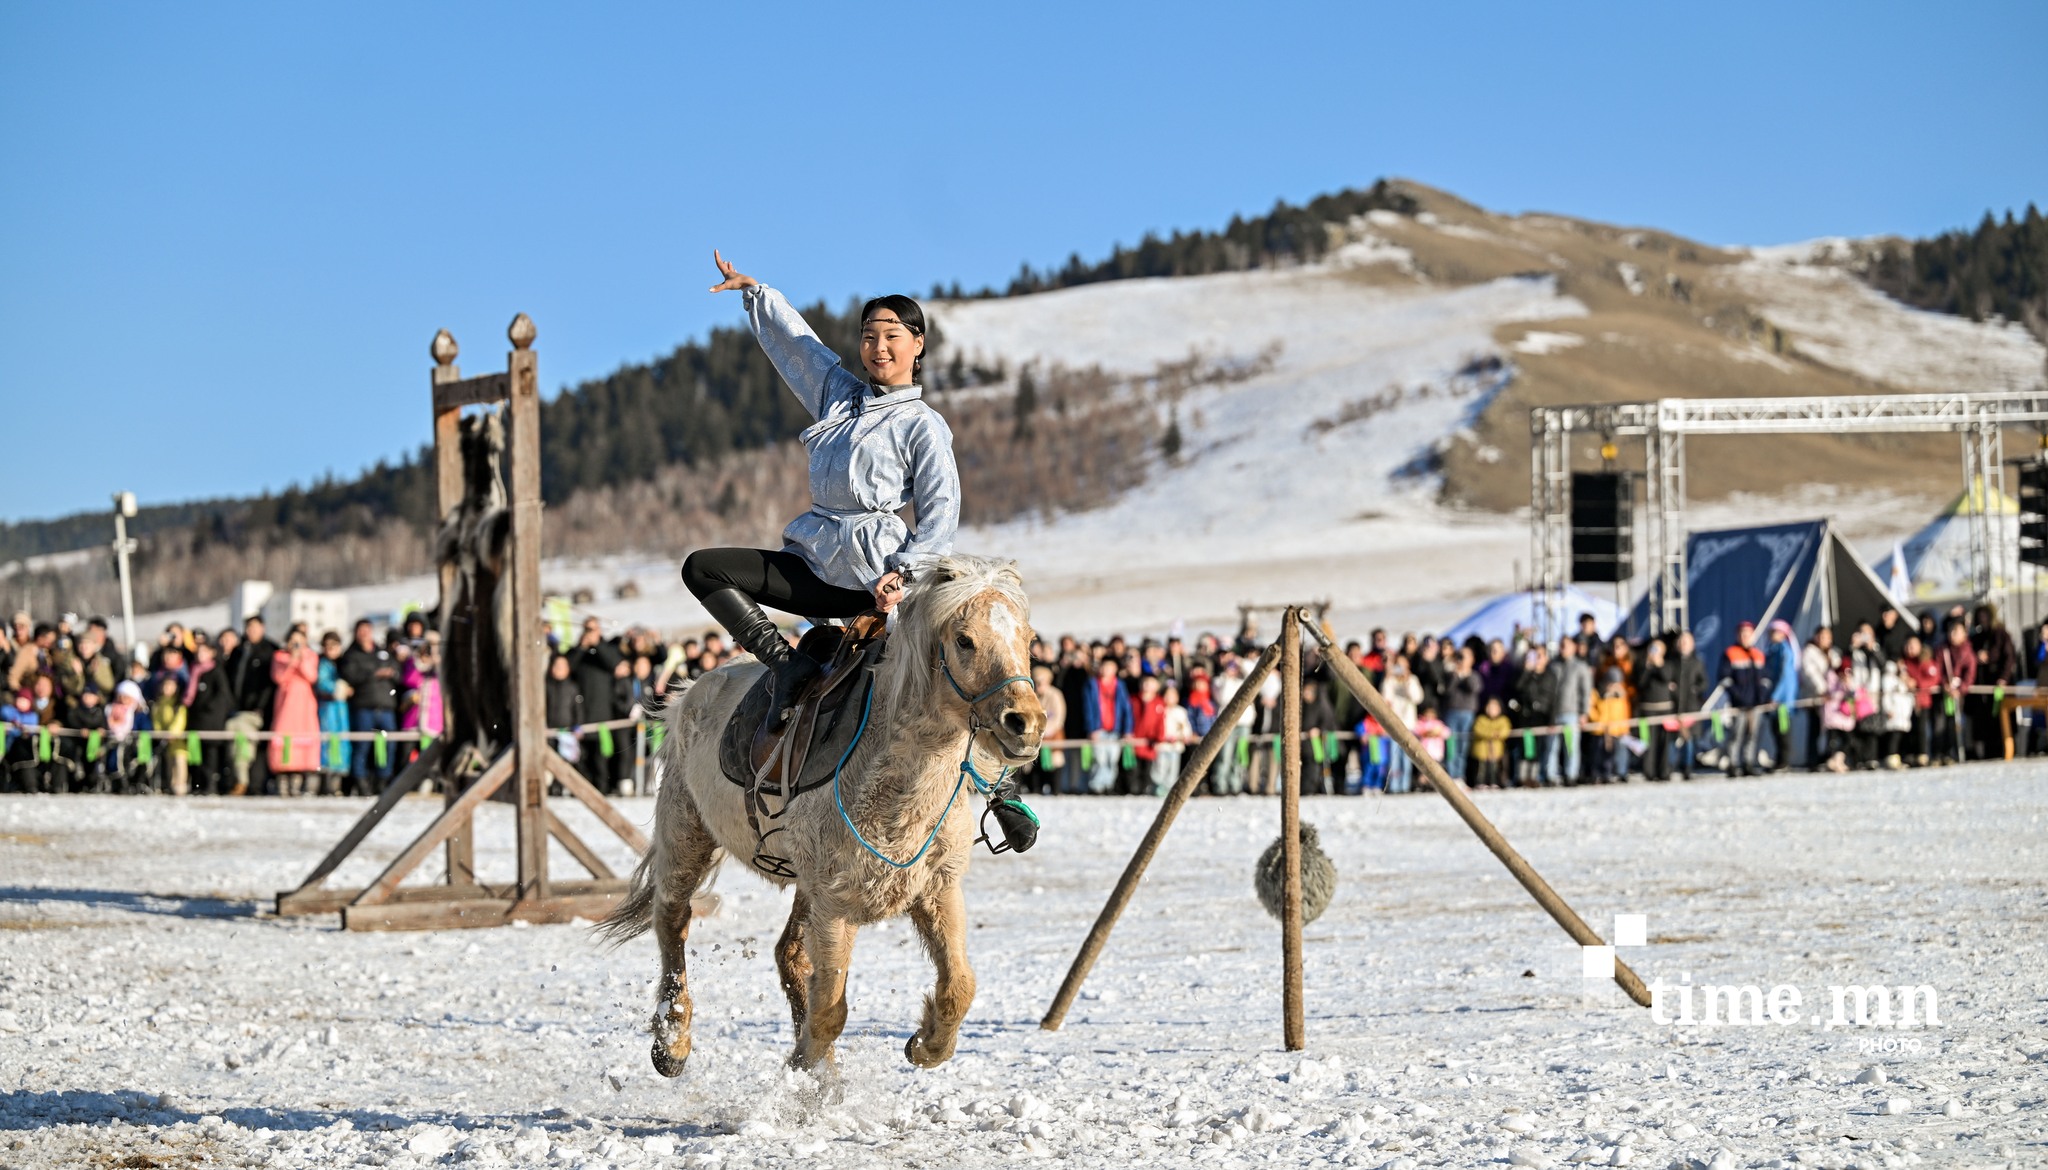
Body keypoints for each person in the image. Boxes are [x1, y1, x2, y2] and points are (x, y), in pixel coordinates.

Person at [684, 252, 960, 726]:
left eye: (892, 336)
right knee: (702, 568)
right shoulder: (839, 396)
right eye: (869, 336)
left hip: (870, 579)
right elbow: (799, 348)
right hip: (813, 559)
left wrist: (906, 574)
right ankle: (789, 665)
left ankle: (1001, 788)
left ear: (917, 344)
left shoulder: (923, 425)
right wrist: (757, 294)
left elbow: (941, 510)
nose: (879, 347)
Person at [339, 620, 400, 794]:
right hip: (363, 707)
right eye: (361, 630)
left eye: (367, 630)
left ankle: (382, 781)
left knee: (388, 746)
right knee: (362, 746)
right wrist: (373, 674)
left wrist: (392, 672)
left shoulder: (383, 652)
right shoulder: (351, 654)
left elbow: (397, 671)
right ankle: (361, 783)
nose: (365, 634)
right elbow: (350, 675)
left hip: (386, 707)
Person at [221, 616, 279, 796]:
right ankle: (238, 781)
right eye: (249, 627)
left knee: (259, 748)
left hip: (260, 710)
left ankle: (256, 785)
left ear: (263, 628)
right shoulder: (239, 651)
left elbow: (270, 684)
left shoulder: (270, 650)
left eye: (255, 627)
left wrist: (260, 706)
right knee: (237, 743)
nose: (251, 631)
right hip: (238, 708)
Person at [269, 627, 322, 794]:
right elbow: (279, 677)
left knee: (304, 736)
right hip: (286, 703)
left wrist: (301, 657)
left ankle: (301, 778)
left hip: (304, 704)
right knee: (284, 737)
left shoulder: (311, 657)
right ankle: (283, 776)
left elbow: (311, 676)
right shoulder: (279, 657)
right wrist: (292, 659)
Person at [1967, 604, 2018, 761]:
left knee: (2002, 718)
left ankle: (2006, 750)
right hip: (1983, 687)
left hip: (2000, 684)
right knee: (1986, 721)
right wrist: (1977, 656)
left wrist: (2003, 678)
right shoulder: (1976, 637)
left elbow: (2009, 657)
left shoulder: (2001, 634)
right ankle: (1988, 752)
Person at [1721, 621, 1769, 777]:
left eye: (1748, 633)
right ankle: (1733, 764)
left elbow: (1765, 679)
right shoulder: (1730, 653)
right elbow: (1724, 679)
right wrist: (1737, 695)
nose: (1745, 637)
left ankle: (1749, 762)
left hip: (1756, 704)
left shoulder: (1758, 654)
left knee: (1753, 734)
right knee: (1736, 734)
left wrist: (1762, 695)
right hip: (1739, 704)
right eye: (1742, 633)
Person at [1080, 656, 1132, 795]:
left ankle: (1109, 785)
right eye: (1104, 666)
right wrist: (1091, 728)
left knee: (1112, 759)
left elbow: (1126, 708)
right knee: (1099, 759)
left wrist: (1127, 729)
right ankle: (1096, 786)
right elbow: (1088, 708)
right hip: (1098, 729)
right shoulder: (1092, 684)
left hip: (1115, 729)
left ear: (1115, 669)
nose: (1106, 669)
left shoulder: (1119, 685)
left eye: (1110, 667)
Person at [1549, 637, 1593, 785]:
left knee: (1571, 747)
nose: (1563, 648)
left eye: (1566, 646)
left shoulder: (1580, 666)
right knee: (1552, 747)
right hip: (1555, 713)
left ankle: (1571, 774)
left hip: (1572, 713)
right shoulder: (1554, 666)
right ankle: (1551, 775)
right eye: (1561, 645)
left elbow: (1585, 692)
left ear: (1574, 647)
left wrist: (1584, 713)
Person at [1633, 638, 1677, 781]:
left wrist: (1658, 665)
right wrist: (1647, 666)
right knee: (1648, 741)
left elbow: (1666, 677)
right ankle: (1649, 771)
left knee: (1664, 742)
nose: (1654, 652)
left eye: (1657, 649)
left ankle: (1664, 771)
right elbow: (1640, 683)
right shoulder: (1641, 665)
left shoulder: (1667, 664)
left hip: (1665, 708)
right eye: (1652, 648)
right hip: (1648, 709)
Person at [1932, 621, 1975, 764]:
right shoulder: (1942, 650)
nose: (1953, 635)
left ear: (1964, 634)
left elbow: (1970, 673)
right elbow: (1937, 669)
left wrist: (1960, 688)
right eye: (1951, 631)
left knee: (1954, 723)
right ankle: (1939, 753)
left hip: (1959, 694)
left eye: (1957, 631)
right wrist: (1944, 684)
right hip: (1943, 692)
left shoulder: (1967, 651)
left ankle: (1954, 752)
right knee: (1940, 722)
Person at [315, 631, 352, 788]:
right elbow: (322, 684)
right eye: (327, 645)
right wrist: (339, 689)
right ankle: (327, 781)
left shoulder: (344, 663)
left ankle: (337, 780)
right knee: (328, 742)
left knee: (341, 741)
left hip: (340, 710)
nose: (330, 649)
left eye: (334, 645)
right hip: (328, 709)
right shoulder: (322, 664)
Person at [1441, 646, 1482, 783]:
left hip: (1467, 713)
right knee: (1452, 744)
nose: (1462, 660)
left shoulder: (1474, 675)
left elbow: (1473, 688)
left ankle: (1460, 775)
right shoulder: (1450, 675)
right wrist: (1455, 675)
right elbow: (1446, 691)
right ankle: (1451, 774)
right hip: (1452, 712)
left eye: (1465, 657)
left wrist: (1465, 674)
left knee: (1463, 746)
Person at [1799, 628, 1838, 773]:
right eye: (1821, 636)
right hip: (1815, 697)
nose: (1824, 639)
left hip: (1832, 699)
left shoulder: (1832, 653)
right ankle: (1812, 759)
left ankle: (1827, 756)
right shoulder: (1809, 652)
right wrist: (1822, 690)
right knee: (1814, 729)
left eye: (1827, 637)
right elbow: (1810, 673)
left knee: (1831, 728)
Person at [1898, 635, 1940, 766]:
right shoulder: (1904, 663)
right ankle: (1910, 754)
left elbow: (1934, 678)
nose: (1909, 649)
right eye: (1907, 645)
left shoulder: (1926, 661)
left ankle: (1923, 753)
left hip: (1923, 701)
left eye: (1912, 645)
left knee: (1922, 728)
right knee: (1910, 728)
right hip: (1907, 702)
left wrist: (1917, 683)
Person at [1764, 620, 1800, 770]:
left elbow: (1784, 676)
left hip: (1783, 701)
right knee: (1775, 730)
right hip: (1774, 698)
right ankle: (1779, 759)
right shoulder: (1772, 650)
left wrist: (1776, 696)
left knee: (1783, 731)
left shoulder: (1784, 650)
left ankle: (1784, 761)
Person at [1585, 669, 1633, 782]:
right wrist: (1598, 721)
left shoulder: (1621, 696)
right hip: (1600, 730)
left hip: (1617, 730)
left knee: (1617, 753)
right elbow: (1592, 710)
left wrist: (1625, 728)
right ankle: (1597, 774)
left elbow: (1624, 712)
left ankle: (1618, 772)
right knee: (1598, 754)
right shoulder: (1597, 693)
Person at [1029, 664, 1066, 797]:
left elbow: (1058, 717)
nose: (1039, 685)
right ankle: (1036, 787)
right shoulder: (1032, 695)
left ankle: (1055, 788)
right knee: (1035, 762)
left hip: (1053, 734)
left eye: (1041, 682)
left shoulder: (1056, 695)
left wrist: (1044, 731)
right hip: (1035, 735)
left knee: (1055, 761)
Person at [149, 677, 189, 796]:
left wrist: (172, 733)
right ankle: (171, 785)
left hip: (178, 739)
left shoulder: (178, 704)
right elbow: (156, 720)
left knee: (180, 761)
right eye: (165, 686)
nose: (168, 689)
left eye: (171, 686)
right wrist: (160, 733)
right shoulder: (158, 703)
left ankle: (181, 785)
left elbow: (180, 720)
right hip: (165, 739)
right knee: (169, 763)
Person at [1470, 696, 1511, 789]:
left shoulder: (1503, 720)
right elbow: (1478, 730)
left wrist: (1494, 734)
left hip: (1495, 751)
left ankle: (1494, 782)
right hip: (1482, 751)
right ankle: (1480, 782)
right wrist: (1492, 734)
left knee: (1494, 768)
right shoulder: (1481, 719)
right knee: (1481, 769)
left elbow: (1505, 731)